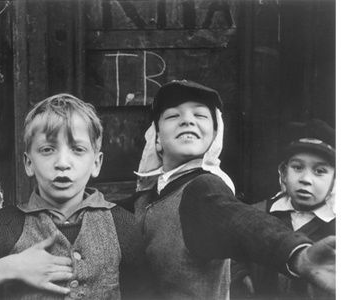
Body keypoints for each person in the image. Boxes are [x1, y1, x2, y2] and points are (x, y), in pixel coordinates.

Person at [124, 80, 335, 299]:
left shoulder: (203, 189)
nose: (187, 120)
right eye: (172, 116)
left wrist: (298, 254)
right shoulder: (146, 197)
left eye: (200, 115)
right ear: (156, 138)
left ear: (215, 136)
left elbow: (244, 223)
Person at [0, 94, 147, 299]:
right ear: (29, 163)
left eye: (77, 149)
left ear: (96, 163)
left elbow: (148, 290)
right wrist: (9, 267)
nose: (62, 163)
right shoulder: (6, 225)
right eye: (47, 150)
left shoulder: (121, 224)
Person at [247, 119, 336, 299]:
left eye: (319, 171)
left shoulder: (336, 225)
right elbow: (233, 252)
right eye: (297, 167)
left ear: (335, 180)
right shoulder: (257, 213)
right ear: (283, 172)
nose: (305, 179)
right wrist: (241, 277)